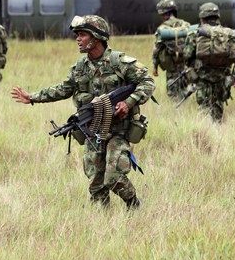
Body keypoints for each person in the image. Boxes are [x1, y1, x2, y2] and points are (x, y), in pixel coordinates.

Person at [11, 15, 156, 209]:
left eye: (82, 35)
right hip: (93, 132)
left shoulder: (120, 62)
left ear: (96, 38)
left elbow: (147, 82)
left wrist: (128, 103)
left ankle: (133, 203)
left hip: (118, 130)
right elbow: (63, 89)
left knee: (113, 176)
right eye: (77, 35)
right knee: (96, 183)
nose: (78, 39)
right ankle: (102, 224)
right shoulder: (80, 67)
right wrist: (33, 98)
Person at [183, 2, 235, 122]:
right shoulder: (228, 33)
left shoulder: (195, 33)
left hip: (202, 76)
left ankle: (205, 134)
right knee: (218, 106)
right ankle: (218, 131)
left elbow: (187, 56)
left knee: (204, 108)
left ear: (202, 17)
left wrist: (190, 73)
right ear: (217, 16)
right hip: (222, 77)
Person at [152, 0, 192, 100]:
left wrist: (155, 67)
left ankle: (178, 112)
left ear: (163, 13)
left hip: (171, 66)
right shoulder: (186, 25)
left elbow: (157, 49)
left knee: (173, 93)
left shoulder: (162, 29)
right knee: (183, 89)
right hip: (185, 65)